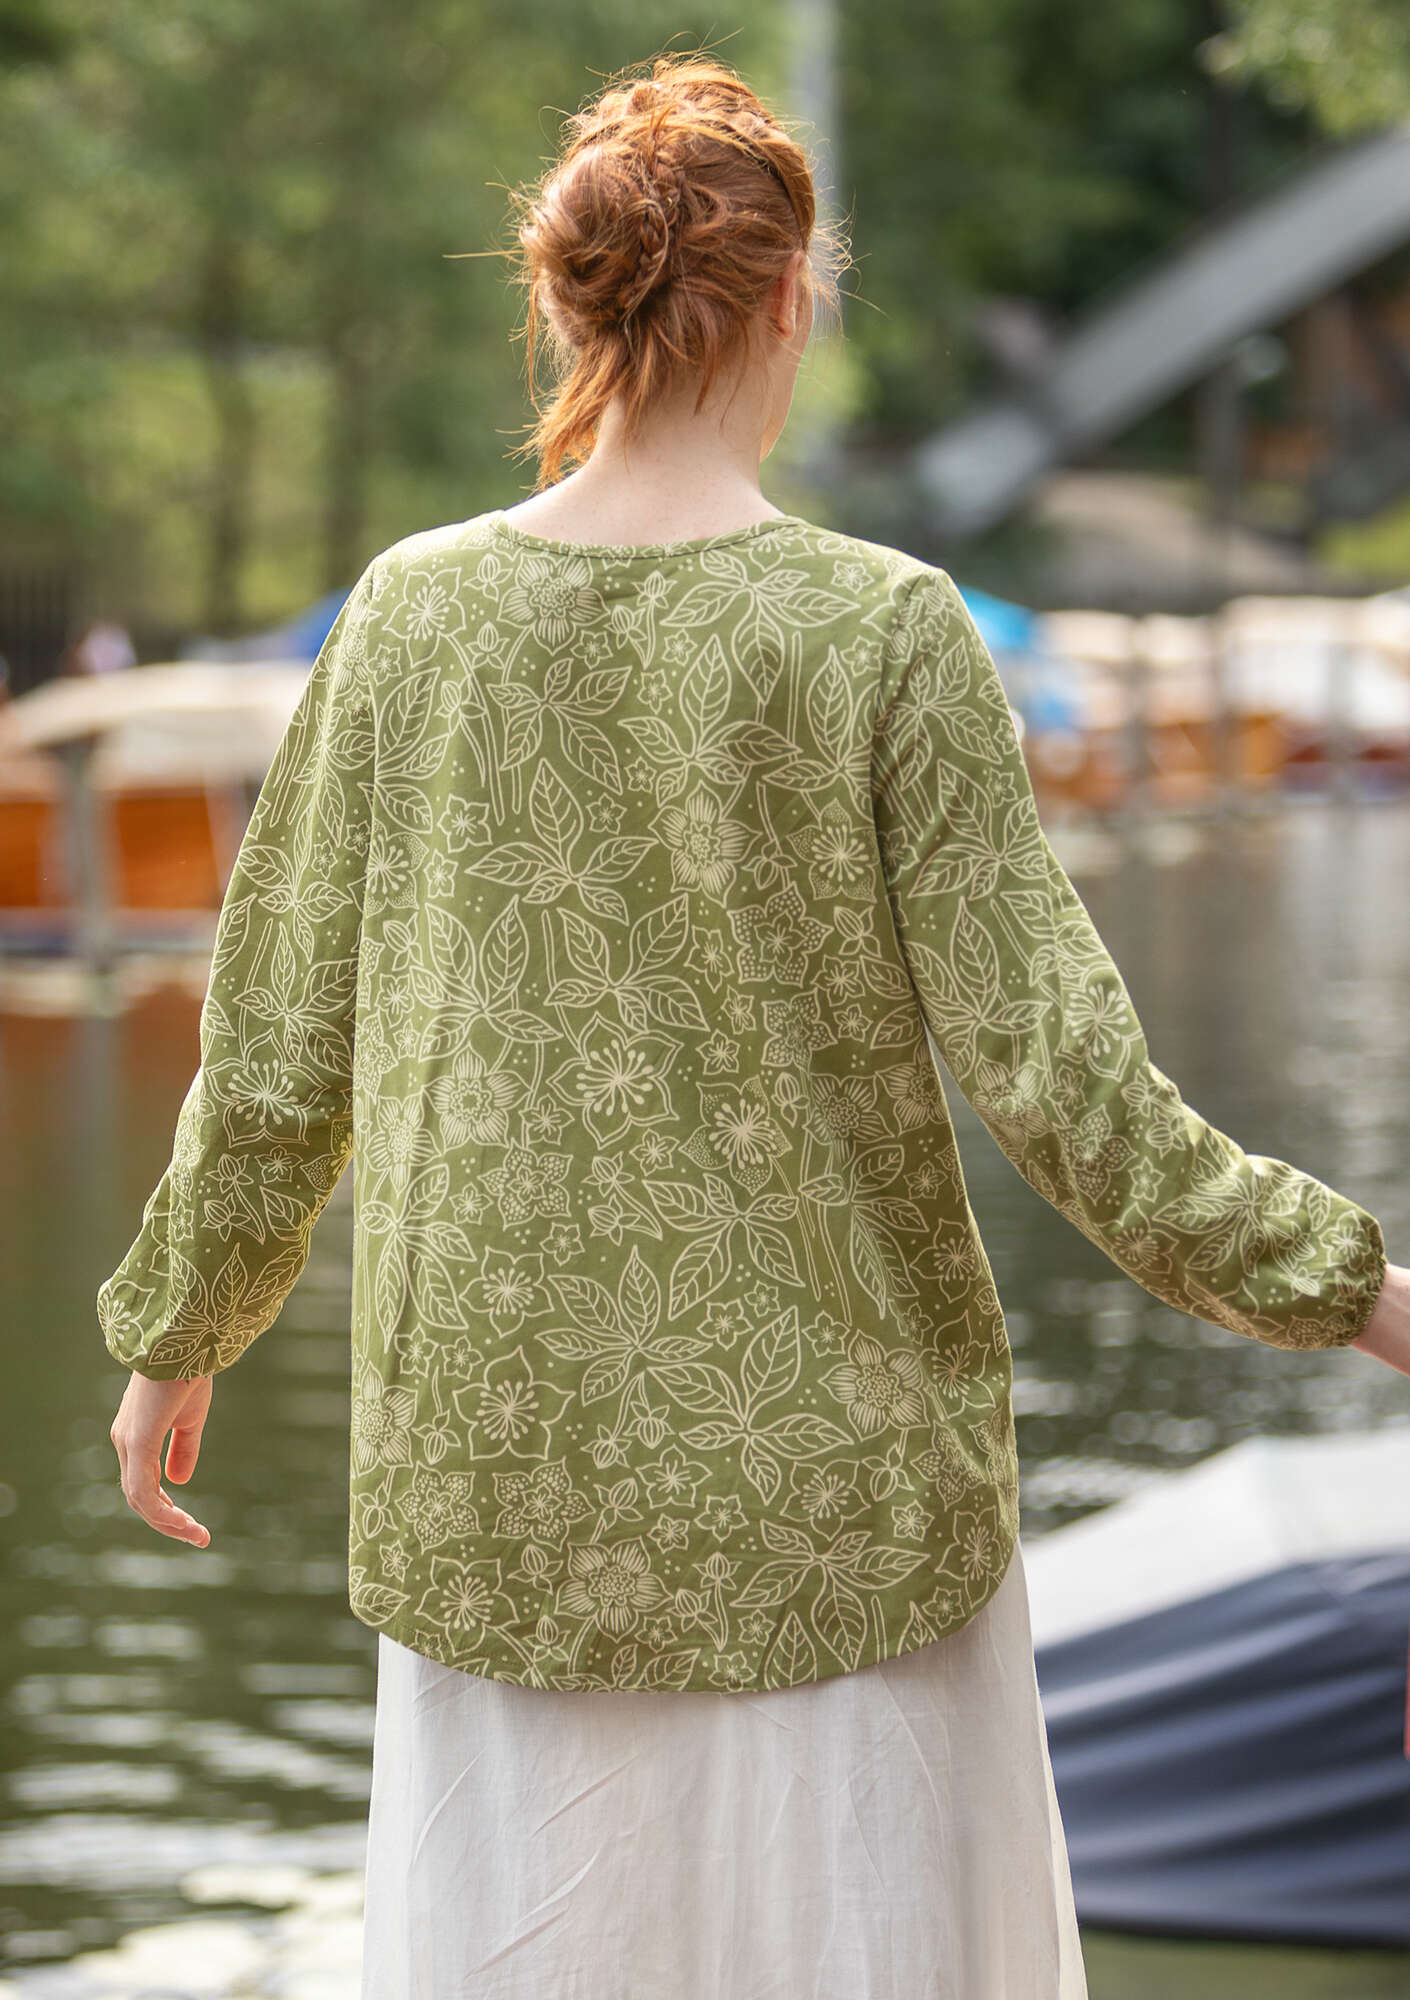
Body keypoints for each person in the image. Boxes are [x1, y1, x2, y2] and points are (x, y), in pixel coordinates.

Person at [97, 49, 1409, 2000]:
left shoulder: (408, 617)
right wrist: (1361, 1295)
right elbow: (1067, 1090)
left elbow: (283, 1038)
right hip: (840, 1500)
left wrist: (180, 1332)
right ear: (797, 297)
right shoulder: (883, 629)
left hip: (505, 1483)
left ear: (564, 307)